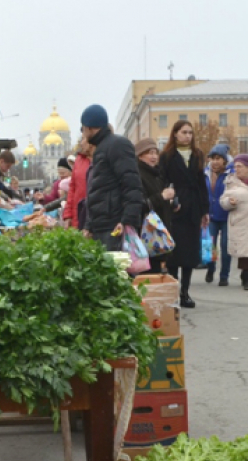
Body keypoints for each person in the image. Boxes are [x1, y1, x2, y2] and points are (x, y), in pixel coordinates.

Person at [158, 120, 210, 308]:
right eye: (184, 132)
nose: (188, 136)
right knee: (174, 253)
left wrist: (205, 210)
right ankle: (173, 292)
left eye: (190, 133)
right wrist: (169, 199)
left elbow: (201, 183)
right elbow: (162, 180)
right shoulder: (167, 156)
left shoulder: (197, 154)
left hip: (193, 208)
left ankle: (185, 293)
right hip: (175, 209)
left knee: (189, 254)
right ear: (175, 134)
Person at [79, 104, 145, 250]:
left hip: (114, 224)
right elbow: (97, 191)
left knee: (119, 269)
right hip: (102, 224)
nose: (83, 133)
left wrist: (127, 220)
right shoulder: (101, 148)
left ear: (89, 127)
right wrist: (89, 225)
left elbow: (131, 184)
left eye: (83, 128)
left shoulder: (117, 145)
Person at [135, 138, 175, 275]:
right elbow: (140, 204)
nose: (154, 157)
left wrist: (171, 203)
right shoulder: (138, 175)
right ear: (140, 155)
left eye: (155, 153)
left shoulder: (156, 173)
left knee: (155, 271)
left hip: (156, 234)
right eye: (149, 153)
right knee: (147, 273)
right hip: (146, 234)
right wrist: (162, 197)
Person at [205, 144, 233, 286]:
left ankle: (224, 276)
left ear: (224, 160)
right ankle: (211, 269)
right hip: (211, 216)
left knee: (225, 246)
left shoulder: (231, 174)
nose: (215, 162)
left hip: (227, 216)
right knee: (210, 246)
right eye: (212, 159)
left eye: (218, 158)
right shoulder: (205, 173)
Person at [220, 154, 248, 290]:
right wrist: (229, 203)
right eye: (235, 166)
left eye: (240, 166)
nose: (237, 169)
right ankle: (246, 277)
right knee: (244, 253)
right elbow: (223, 201)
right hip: (240, 222)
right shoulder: (231, 182)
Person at [64, 137, 93, 229]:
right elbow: (72, 188)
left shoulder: (102, 158)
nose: (81, 143)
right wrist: (68, 215)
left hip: (97, 215)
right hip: (79, 214)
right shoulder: (79, 160)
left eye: (84, 138)